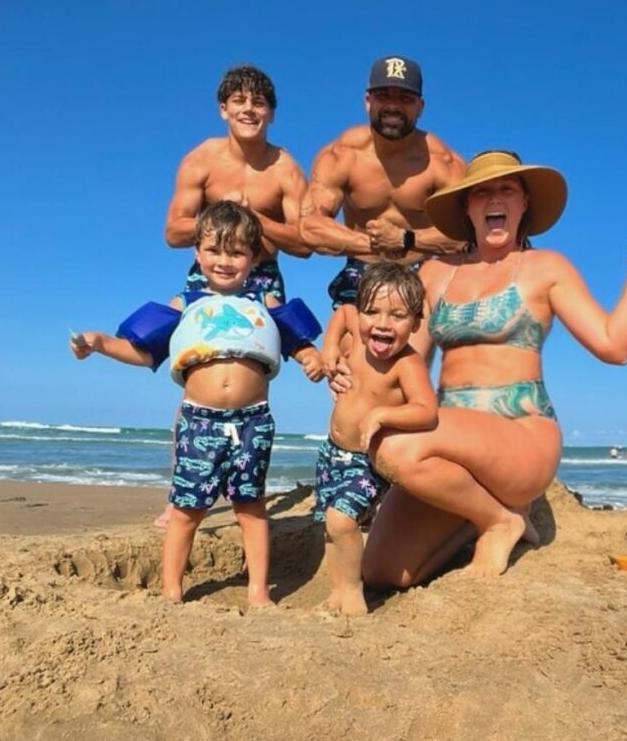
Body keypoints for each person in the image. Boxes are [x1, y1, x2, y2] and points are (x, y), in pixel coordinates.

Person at [337, 150, 627, 587]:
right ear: (466, 207)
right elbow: (403, 357)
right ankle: (494, 514)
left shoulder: (545, 268)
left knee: (394, 446)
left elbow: (614, 347)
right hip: (453, 446)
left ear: (525, 204)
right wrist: (350, 370)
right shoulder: (435, 273)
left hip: (522, 435)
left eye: (506, 190)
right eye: (481, 192)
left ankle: (500, 522)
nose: (494, 199)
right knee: (383, 572)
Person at [71, 202, 321, 606]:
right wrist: (100, 342)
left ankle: (258, 590)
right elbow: (144, 351)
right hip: (198, 421)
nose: (225, 261)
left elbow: (300, 343)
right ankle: (172, 590)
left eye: (237, 252)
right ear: (197, 253)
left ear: (255, 256)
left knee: (252, 506)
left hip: (252, 421)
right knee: (187, 509)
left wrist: (313, 359)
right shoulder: (184, 303)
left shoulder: (266, 301)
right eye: (215, 251)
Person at [299, 55, 466, 357]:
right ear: (367, 101)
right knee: (351, 371)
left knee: (409, 371)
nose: (393, 105)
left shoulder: (443, 164)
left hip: (421, 270)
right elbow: (310, 226)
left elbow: (467, 233)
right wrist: (373, 243)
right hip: (360, 267)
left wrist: (405, 240)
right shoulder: (342, 155)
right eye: (383, 96)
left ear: (420, 106)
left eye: (404, 97)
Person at [165, 64, 322, 381]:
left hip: (263, 276)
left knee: (255, 369)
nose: (249, 110)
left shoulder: (285, 169)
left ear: (272, 114)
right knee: (197, 365)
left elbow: (306, 244)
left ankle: (251, 429)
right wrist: (221, 219)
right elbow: (173, 231)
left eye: (259, 103)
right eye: (239, 100)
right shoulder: (202, 159)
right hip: (210, 275)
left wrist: (255, 220)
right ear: (224, 109)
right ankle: (189, 430)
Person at [315, 262, 437, 615]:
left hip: (366, 462)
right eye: (372, 312)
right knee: (330, 525)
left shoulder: (406, 364)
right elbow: (342, 313)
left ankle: (353, 593)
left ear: (415, 324)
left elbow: (426, 410)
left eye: (397, 315)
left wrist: (383, 414)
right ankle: (337, 592)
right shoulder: (355, 328)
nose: (381, 323)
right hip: (331, 452)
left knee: (342, 521)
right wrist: (329, 350)